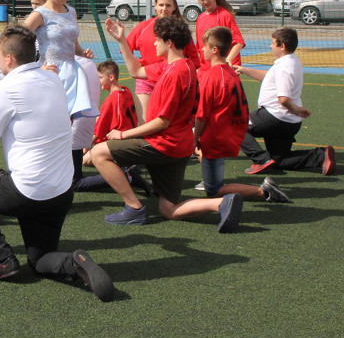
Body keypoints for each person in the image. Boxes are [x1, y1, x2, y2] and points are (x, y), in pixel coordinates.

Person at [0, 26, 114, 301]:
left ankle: (3, 261)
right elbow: (24, 81)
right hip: (62, 192)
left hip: (28, 192)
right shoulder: (52, 79)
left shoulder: (5, 89)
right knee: (40, 261)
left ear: (8, 58)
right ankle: (74, 262)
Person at [93, 16, 244, 232]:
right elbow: (136, 71)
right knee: (168, 209)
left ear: (169, 42)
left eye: (157, 40)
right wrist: (122, 41)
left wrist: (124, 134)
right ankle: (221, 203)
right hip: (179, 146)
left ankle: (134, 208)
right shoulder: (180, 65)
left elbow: (162, 122)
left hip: (164, 144)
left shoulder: (175, 73)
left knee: (98, 153)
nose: (154, 43)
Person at [195, 26, 291, 203]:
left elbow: (202, 114)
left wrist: (195, 137)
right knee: (212, 180)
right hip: (228, 132)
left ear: (214, 50)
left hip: (215, 135)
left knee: (213, 190)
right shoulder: (230, 72)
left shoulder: (212, 76)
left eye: (205, 46)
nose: (201, 49)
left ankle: (263, 191)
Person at [236, 27, 336, 176]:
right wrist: (244, 69)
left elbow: (283, 98)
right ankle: (320, 156)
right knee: (279, 160)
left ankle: (260, 159)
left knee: (235, 125)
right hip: (288, 122)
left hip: (275, 117)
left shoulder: (284, 67)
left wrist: (296, 110)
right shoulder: (292, 60)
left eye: (273, 43)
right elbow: (269, 76)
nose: (270, 46)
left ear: (282, 46)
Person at [23, 0, 95, 119]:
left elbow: (74, 45)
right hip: (50, 72)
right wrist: (35, 68)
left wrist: (83, 52)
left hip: (72, 73)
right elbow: (17, 41)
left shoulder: (71, 12)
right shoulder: (40, 14)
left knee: (68, 121)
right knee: (49, 119)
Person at [126, 0, 200, 123]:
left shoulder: (180, 30)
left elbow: (194, 60)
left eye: (168, 5)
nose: (164, 9)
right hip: (146, 78)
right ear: (155, 5)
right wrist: (137, 62)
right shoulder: (144, 27)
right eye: (161, 5)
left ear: (174, 7)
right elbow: (126, 47)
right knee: (144, 122)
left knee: (167, 120)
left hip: (171, 79)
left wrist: (180, 71)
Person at [78, 60, 150, 195]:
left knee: (86, 160)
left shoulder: (111, 100)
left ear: (111, 77)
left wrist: (85, 147)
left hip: (118, 141)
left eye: (100, 77)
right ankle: (127, 166)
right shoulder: (126, 91)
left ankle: (126, 173)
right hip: (129, 137)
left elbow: (98, 132)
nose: (98, 81)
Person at [194, 0, 245, 81]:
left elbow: (239, 43)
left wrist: (228, 60)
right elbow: (199, 47)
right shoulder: (200, 18)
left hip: (224, 72)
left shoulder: (224, 16)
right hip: (206, 71)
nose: (205, 1)